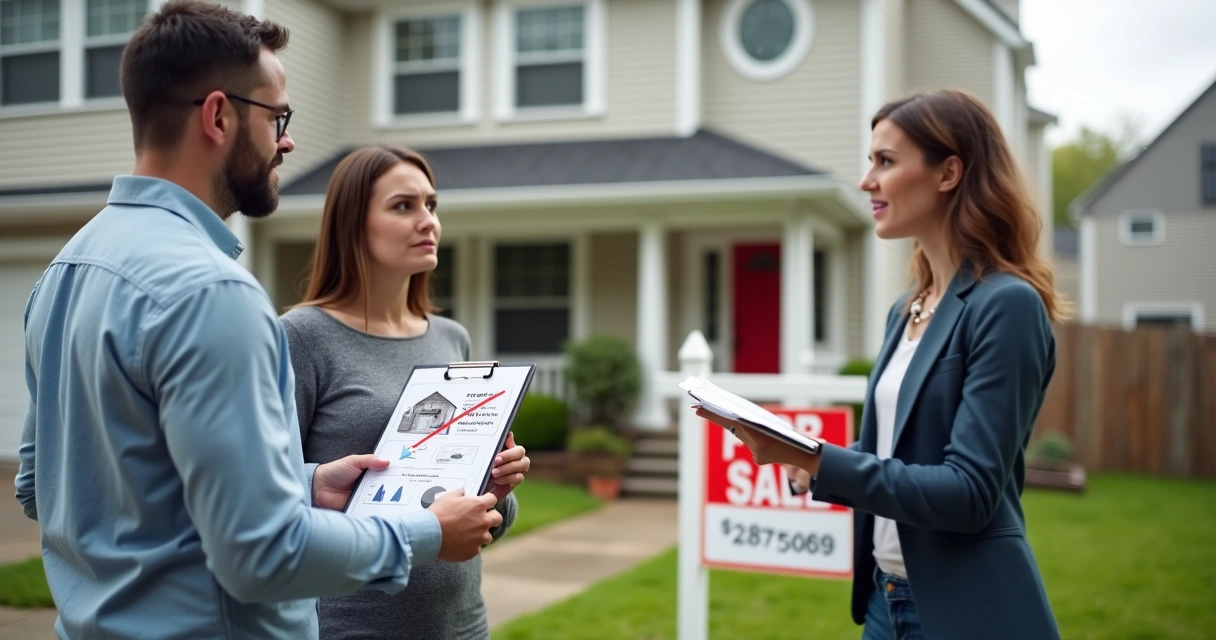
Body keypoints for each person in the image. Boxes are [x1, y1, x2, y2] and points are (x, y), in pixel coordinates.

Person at [16, 2, 506, 638]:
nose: (289, 140)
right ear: (219, 115)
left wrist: (304, 484)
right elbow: (263, 555)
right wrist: (423, 532)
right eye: (278, 117)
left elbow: (44, 486)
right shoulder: (212, 292)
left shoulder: (63, 273)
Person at [696, 89, 1067, 640]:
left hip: (964, 609)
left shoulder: (1006, 306)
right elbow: (894, 456)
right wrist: (801, 456)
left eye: (885, 162)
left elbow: (969, 493)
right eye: (871, 161)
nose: (867, 180)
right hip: (884, 603)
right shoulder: (907, 309)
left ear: (948, 173)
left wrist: (825, 461)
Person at [280, 145, 529, 640]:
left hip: (461, 625)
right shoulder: (300, 337)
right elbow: (265, 489)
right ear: (353, 224)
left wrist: (497, 492)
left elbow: (473, 518)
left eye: (431, 205)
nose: (428, 221)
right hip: (350, 626)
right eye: (403, 206)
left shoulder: (450, 337)